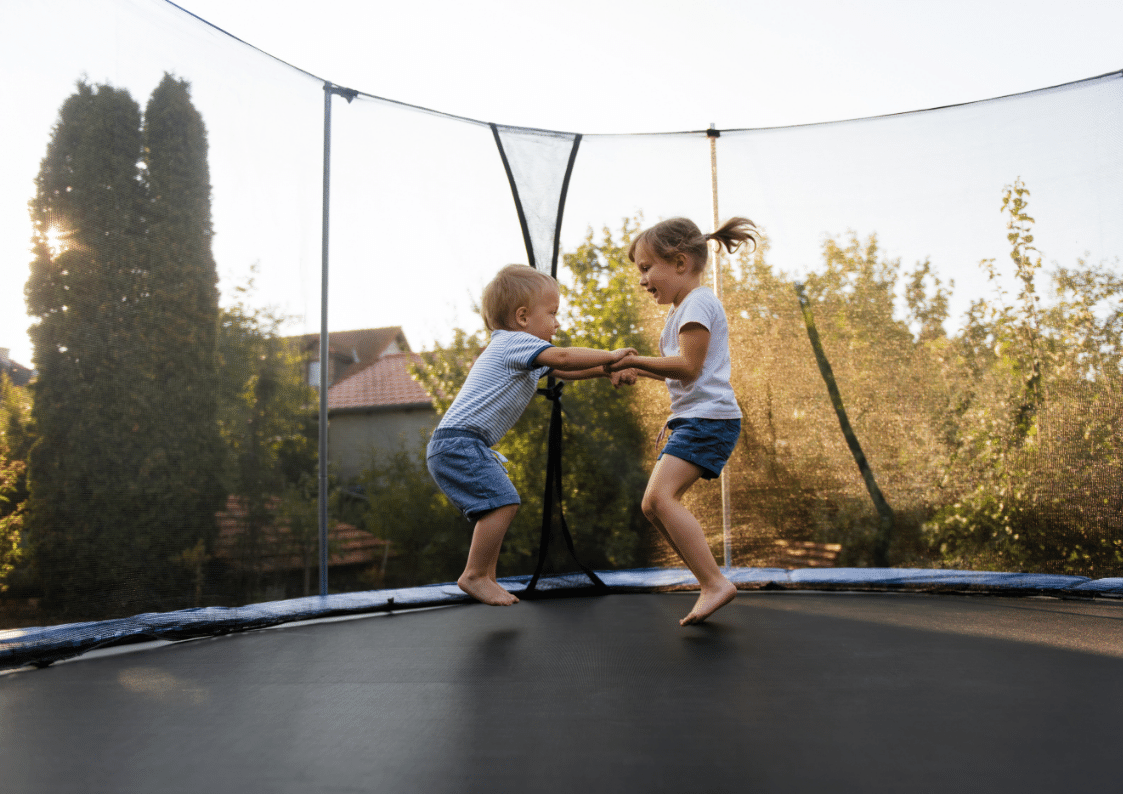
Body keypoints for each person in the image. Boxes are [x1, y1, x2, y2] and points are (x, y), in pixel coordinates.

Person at [427, 264, 637, 606]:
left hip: (459, 443)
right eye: (552, 313)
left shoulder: (518, 349)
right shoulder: (513, 343)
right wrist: (613, 355)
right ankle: (475, 574)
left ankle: (485, 576)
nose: (558, 322)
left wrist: (605, 370)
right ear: (523, 317)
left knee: (498, 504)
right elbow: (566, 356)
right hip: (459, 443)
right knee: (503, 502)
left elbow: (566, 368)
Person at [608, 216, 759, 625]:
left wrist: (635, 359)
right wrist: (639, 370)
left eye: (645, 267)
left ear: (679, 262)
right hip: (696, 420)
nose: (641, 280)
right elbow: (682, 370)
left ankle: (714, 583)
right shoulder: (681, 311)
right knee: (652, 505)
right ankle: (709, 582)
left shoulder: (698, 302)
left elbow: (689, 366)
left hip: (709, 420)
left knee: (659, 499)